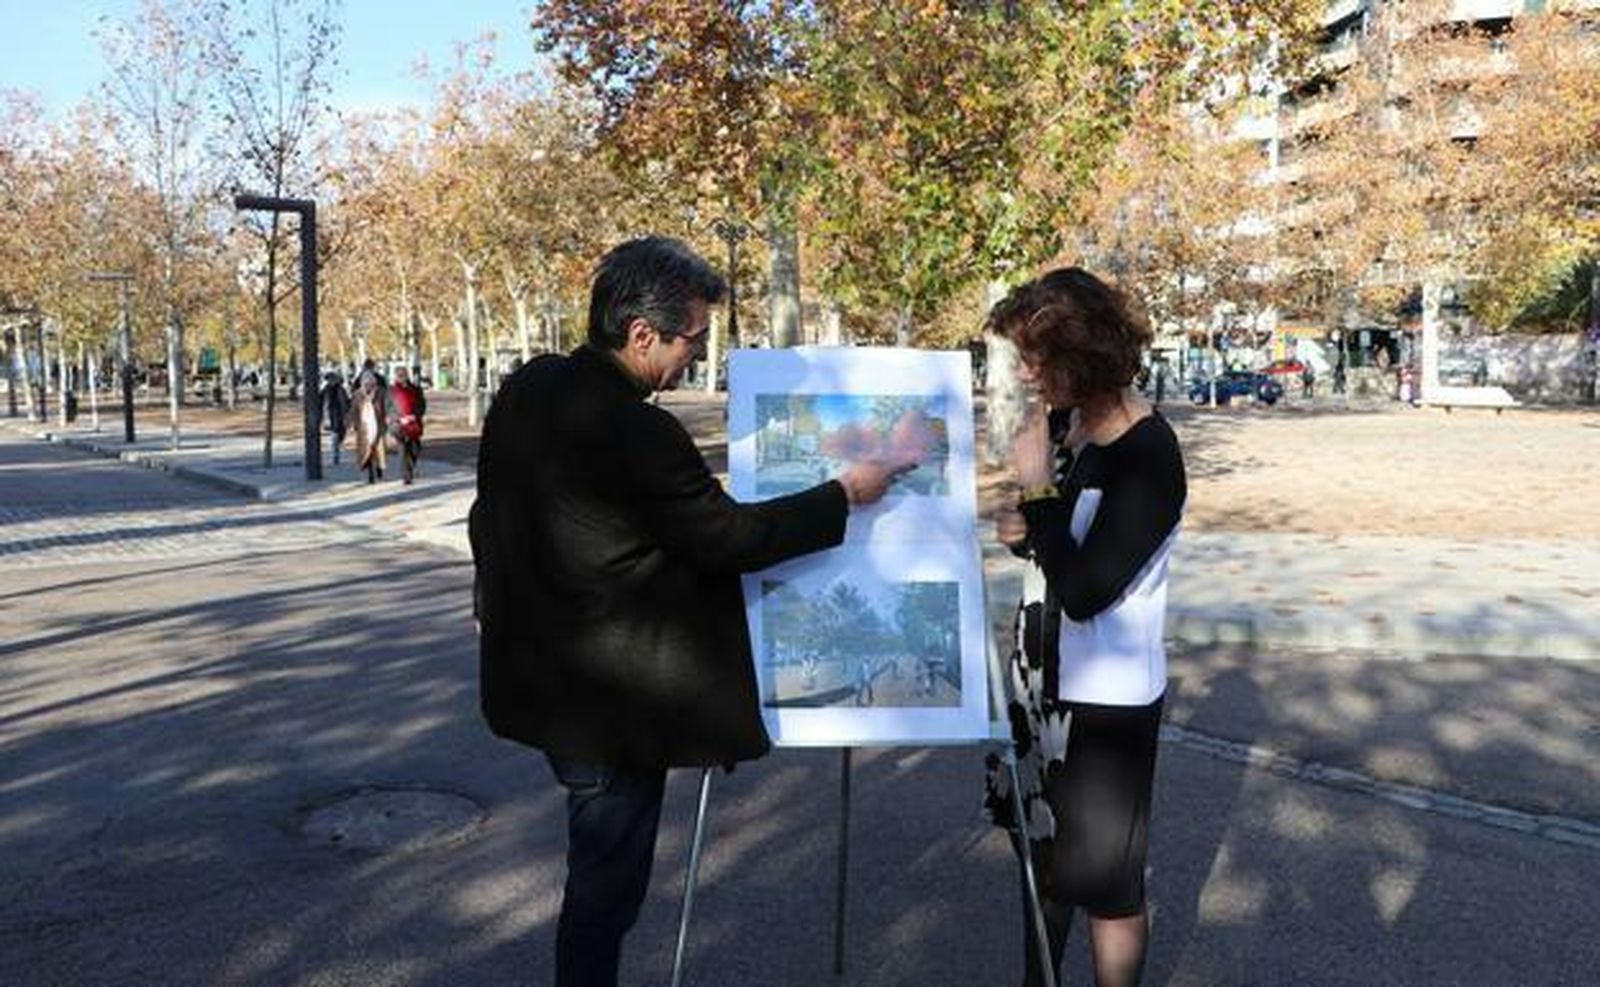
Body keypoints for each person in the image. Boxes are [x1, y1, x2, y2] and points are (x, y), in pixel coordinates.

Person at [468, 236, 913, 987]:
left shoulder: (529, 387)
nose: (698, 357)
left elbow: (489, 515)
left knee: (599, 876)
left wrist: (491, 597)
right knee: (605, 891)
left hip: (546, 683)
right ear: (642, 333)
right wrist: (844, 494)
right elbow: (729, 538)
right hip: (609, 708)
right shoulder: (638, 429)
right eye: (693, 340)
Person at [982, 268, 1187, 987]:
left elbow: (1088, 591)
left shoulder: (1148, 455)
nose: (1027, 374)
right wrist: (1023, 529)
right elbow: (1060, 545)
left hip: (1105, 704)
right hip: (1042, 688)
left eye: (1037, 358)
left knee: (1107, 884)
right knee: (1042, 862)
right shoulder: (1076, 431)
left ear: (1084, 352)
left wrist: (1038, 486)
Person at [389, 366, 427, 484]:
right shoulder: (391, 391)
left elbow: (422, 405)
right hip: (399, 426)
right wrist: (399, 419)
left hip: (414, 424)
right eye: (399, 375)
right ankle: (406, 476)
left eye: (403, 374)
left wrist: (415, 415)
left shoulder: (416, 389)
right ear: (395, 376)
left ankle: (409, 468)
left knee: (415, 449)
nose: (401, 377)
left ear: (407, 375)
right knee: (403, 450)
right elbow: (388, 409)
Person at [351, 364, 387, 483]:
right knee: (367, 448)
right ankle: (370, 473)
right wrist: (354, 423)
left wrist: (387, 418)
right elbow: (354, 410)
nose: (368, 385)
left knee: (377, 448)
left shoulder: (380, 393)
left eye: (370, 383)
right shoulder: (357, 395)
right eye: (366, 383)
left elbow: (386, 406)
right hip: (364, 426)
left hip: (378, 424)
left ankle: (378, 468)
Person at [319, 371, 350, 465]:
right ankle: (335, 453)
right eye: (329, 379)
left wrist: (347, 413)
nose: (331, 381)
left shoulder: (341, 390)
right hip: (331, 416)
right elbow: (320, 402)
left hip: (341, 415)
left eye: (332, 379)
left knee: (342, 433)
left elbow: (347, 402)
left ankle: (337, 447)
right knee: (334, 434)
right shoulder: (325, 390)